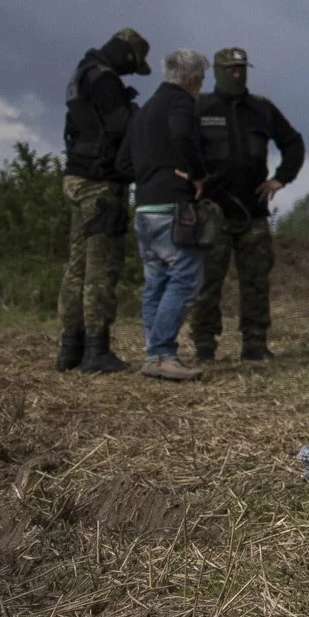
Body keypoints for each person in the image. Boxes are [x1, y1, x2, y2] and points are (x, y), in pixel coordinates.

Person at [186, 47, 303, 363]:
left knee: (255, 281)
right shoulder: (200, 108)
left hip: (253, 212)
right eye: (231, 69)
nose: (237, 74)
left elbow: (293, 143)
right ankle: (204, 345)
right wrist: (187, 185)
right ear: (218, 71)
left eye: (241, 69)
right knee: (207, 282)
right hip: (213, 212)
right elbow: (178, 148)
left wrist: (280, 179)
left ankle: (255, 343)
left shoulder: (262, 110)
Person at [57, 27, 150, 375]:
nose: (130, 72)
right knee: (101, 267)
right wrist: (140, 114)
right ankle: (96, 350)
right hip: (100, 183)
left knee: (76, 267)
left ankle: (70, 348)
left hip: (76, 175)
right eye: (134, 65)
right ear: (126, 54)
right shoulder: (106, 80)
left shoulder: (81, 74)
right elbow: (122, 126)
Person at [122, 47, 210, 382]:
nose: (201, 87)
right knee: (187, 276)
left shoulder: (144, 111)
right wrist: (197, 173)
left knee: (156, 280)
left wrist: (149, 175)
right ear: (191, 79)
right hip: (171, 207)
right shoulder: (179, 102)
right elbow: (183, 134)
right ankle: (161, 353)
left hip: (143, 205)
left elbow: (123, 162)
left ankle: (153, 352)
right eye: (201, 80)